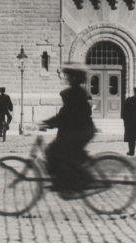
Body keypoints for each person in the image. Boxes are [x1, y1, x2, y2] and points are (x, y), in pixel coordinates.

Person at [40, 66, 96, 194]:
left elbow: (67, 115)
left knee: (61, 153)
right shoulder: (75, 93)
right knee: (55, 151)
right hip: (77, 129)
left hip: (81, 130)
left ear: (75, 78)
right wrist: (49, 123)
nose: (67, 79)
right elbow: (64, 115)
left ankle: (83, 180)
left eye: (69, 77)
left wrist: (49, 123)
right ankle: (64, 181)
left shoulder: (75, 94)